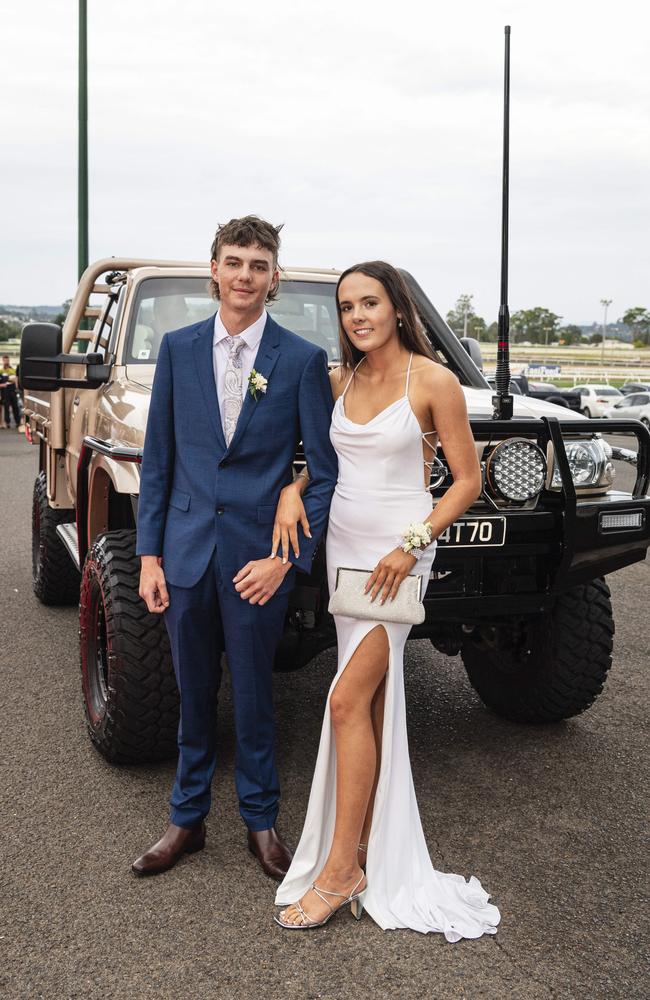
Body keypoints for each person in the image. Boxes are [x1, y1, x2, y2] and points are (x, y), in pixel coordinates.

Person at [274, 261, 501, 940]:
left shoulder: (433, 382)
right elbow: (329, 459)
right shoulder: (339, 381)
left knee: (344, 699)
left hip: (399, 554)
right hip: (344, 548)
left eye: (369, 303)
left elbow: (465, 481)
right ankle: (363, 847)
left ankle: (343, 869)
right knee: (364, 704)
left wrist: (412, 543)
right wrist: (294, 487)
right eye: (346, 307)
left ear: (397, 308)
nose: (357, 317)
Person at [133, 216, 338, 879]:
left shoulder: (302, 360)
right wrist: (149, 557)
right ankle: (185, 820)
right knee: (194, 697)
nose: (245, 274)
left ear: (274, 276)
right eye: (234, 261)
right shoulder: (177, 348)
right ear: (213, 271)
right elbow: (158, 460)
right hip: (186, 553)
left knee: (253, 698)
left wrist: (286, 560)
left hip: (258, 562)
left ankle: (262, 822)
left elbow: (324, 473)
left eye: (258, 263)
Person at [1, 355, 21, 430]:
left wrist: (16, 387)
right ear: (3, 361)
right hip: (5, 391)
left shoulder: (13, 369)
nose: (7, 361)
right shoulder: (1, 370)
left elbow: (16, 378)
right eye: (5, 360)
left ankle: (18, 422)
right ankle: (7, 422)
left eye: (7, 360)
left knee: (15, 406)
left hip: (13, 390)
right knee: (6, 407)